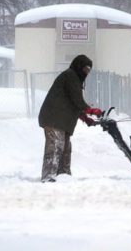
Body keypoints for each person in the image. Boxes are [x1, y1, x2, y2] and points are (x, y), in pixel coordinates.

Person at [38, 54, 102, 183]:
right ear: (79, 66)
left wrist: (85, 118)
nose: (86, 72)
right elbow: (77, 100)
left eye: (89, 70)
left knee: (65, 148)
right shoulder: (70, 75)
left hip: (62, 121)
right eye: (85, 69)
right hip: (54, 118)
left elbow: (73, 103)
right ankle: (48, 176)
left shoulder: (75, 79)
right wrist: (90, 110)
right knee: (56, 147)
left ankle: (63, 176)